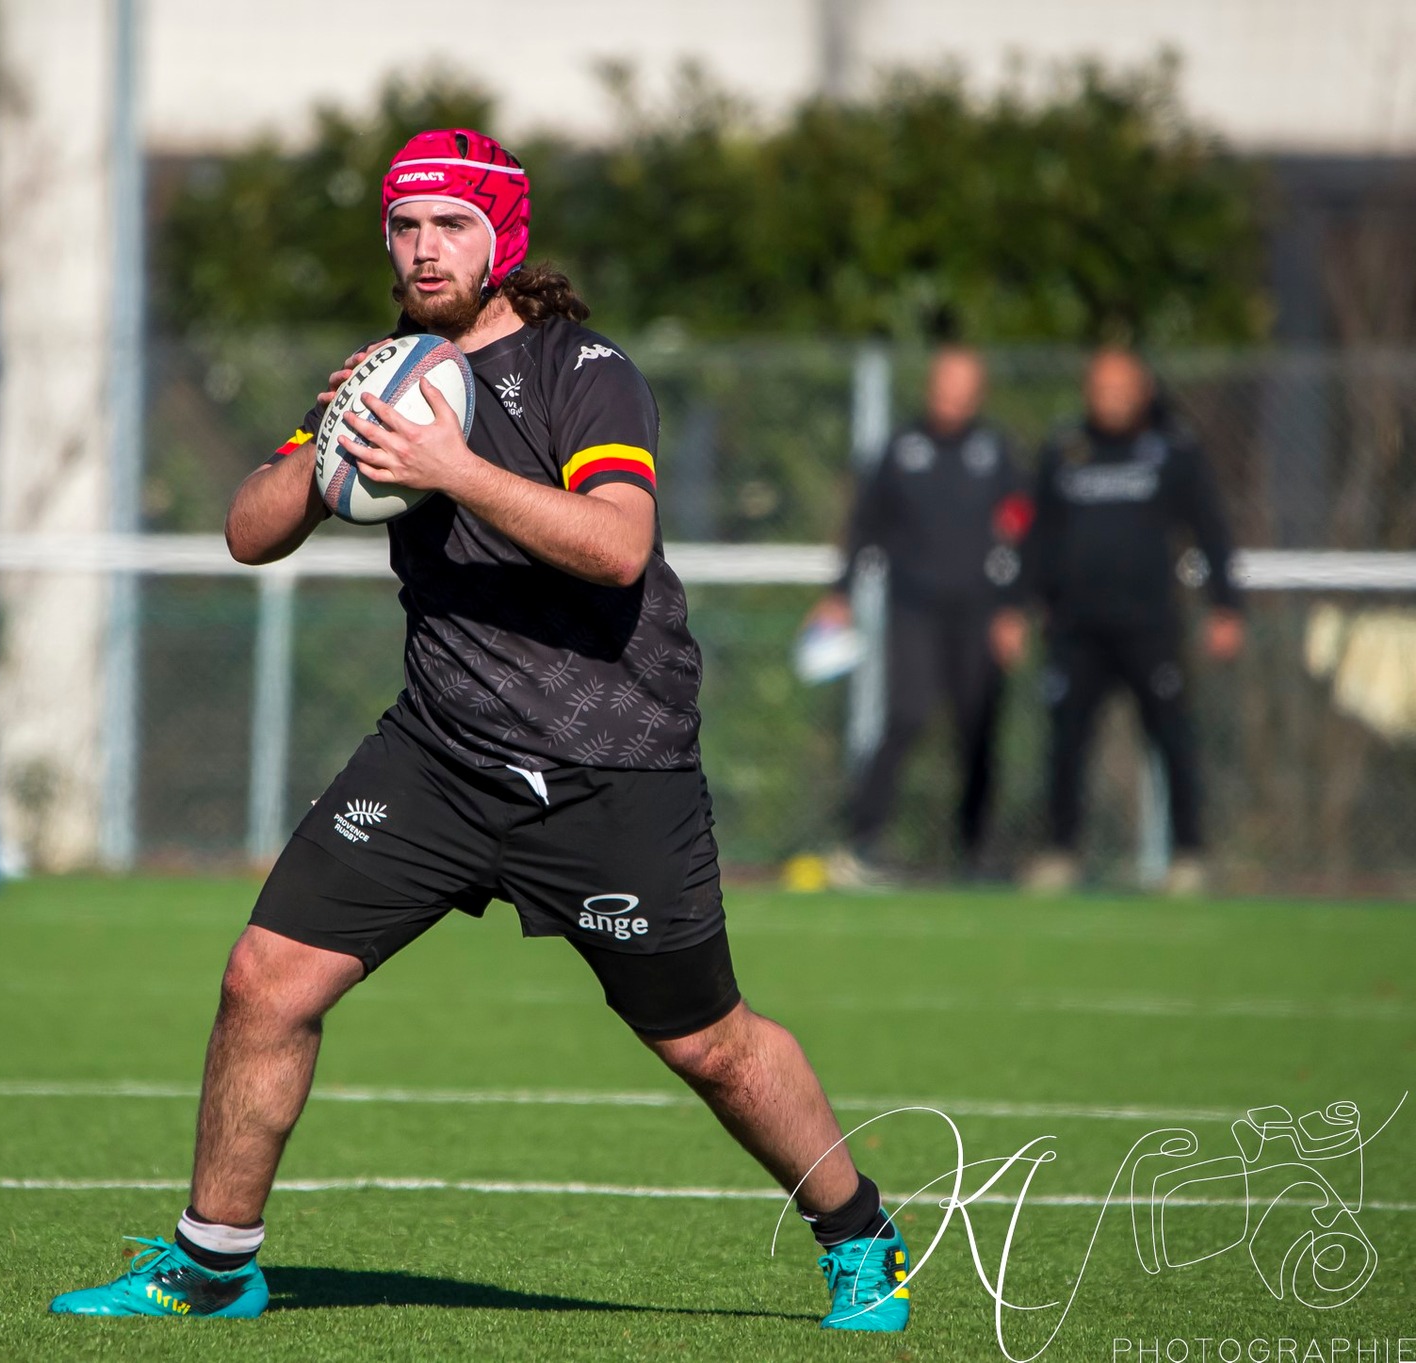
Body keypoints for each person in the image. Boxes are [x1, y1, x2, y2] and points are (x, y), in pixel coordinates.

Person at [48, 129, 914, 1332]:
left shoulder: (586, 369)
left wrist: (449, 468)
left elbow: (616, 545)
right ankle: (211, 1263)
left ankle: (860, 1234)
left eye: (448, 224)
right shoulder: (388, 377)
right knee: (265, 981)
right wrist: (336, 443)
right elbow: (248, 532)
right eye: (403, 226)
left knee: (706, 1044)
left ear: (500, 237)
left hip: (609, 764)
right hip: (440, 756)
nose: (420, 248)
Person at [995, 348, 1243, 895]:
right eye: (1100, 387)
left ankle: (1189, 855)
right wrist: (1014, 607)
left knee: (1171, 737)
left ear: (1142, 391)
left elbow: (1211, 529)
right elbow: (1036, 538)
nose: (1109, 398)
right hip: (1075, 628)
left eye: (1120, 387)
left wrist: (1225, 605)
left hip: (1149, 626)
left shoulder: (1173, 449)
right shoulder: (1065, 449)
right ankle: (1061, 851)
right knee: (1065, 744)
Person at [810, 347, 1029, 888]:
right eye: (943, 384)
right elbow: (865, 526)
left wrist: (1013, 608)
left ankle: (974, 851)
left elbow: (1023, 531)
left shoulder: (995, 451)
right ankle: (861, 841)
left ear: (978, 393)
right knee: (906, 716)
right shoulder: (901, 449)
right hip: (914, 610)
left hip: (980, 612)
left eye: (962, 387)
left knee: (978, 727)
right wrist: (839, 594)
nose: (950, 397)